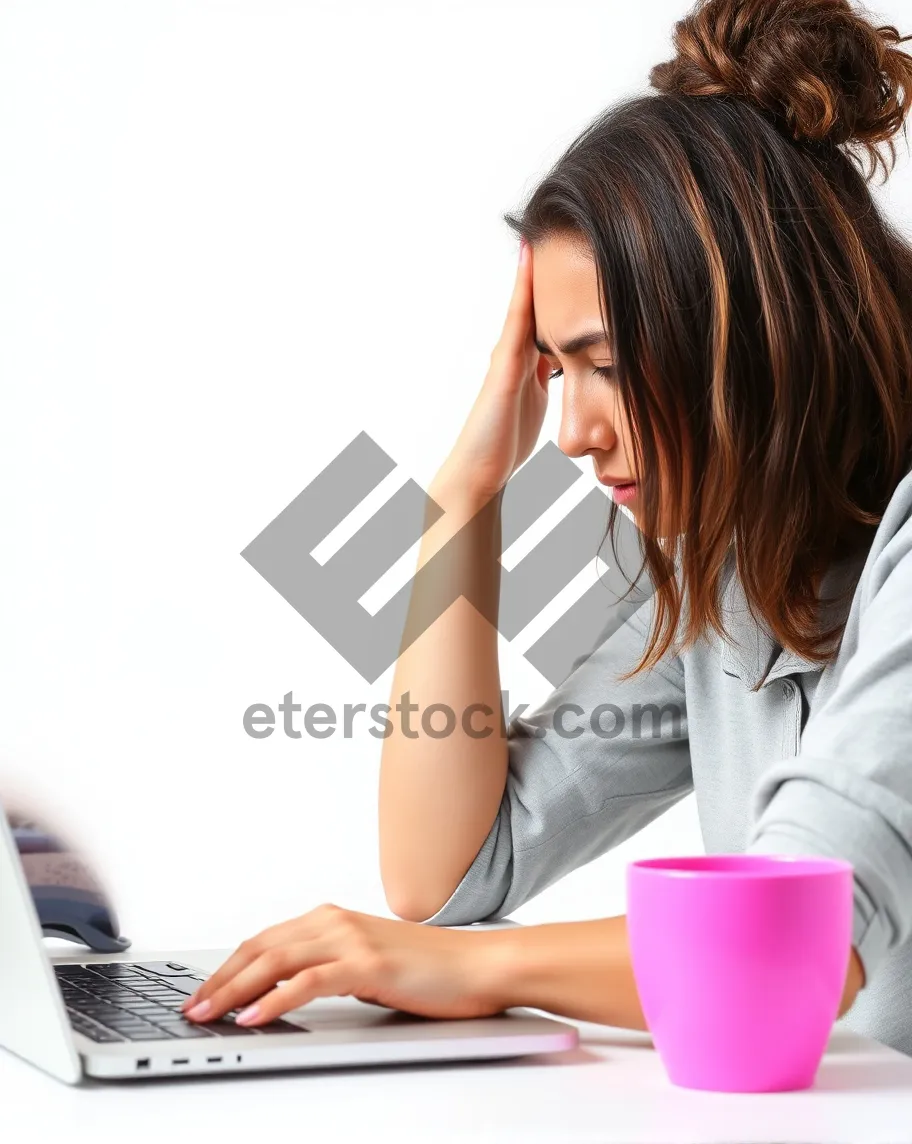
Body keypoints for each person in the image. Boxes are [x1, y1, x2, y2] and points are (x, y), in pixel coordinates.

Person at [181, 0, 912, 1057]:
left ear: (756, 330)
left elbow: (794, 942)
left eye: (607, 364)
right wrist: (463, 496)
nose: (570, 431)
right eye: (554, 369)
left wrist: (465, 969)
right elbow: (450, 872)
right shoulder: (736, 578)